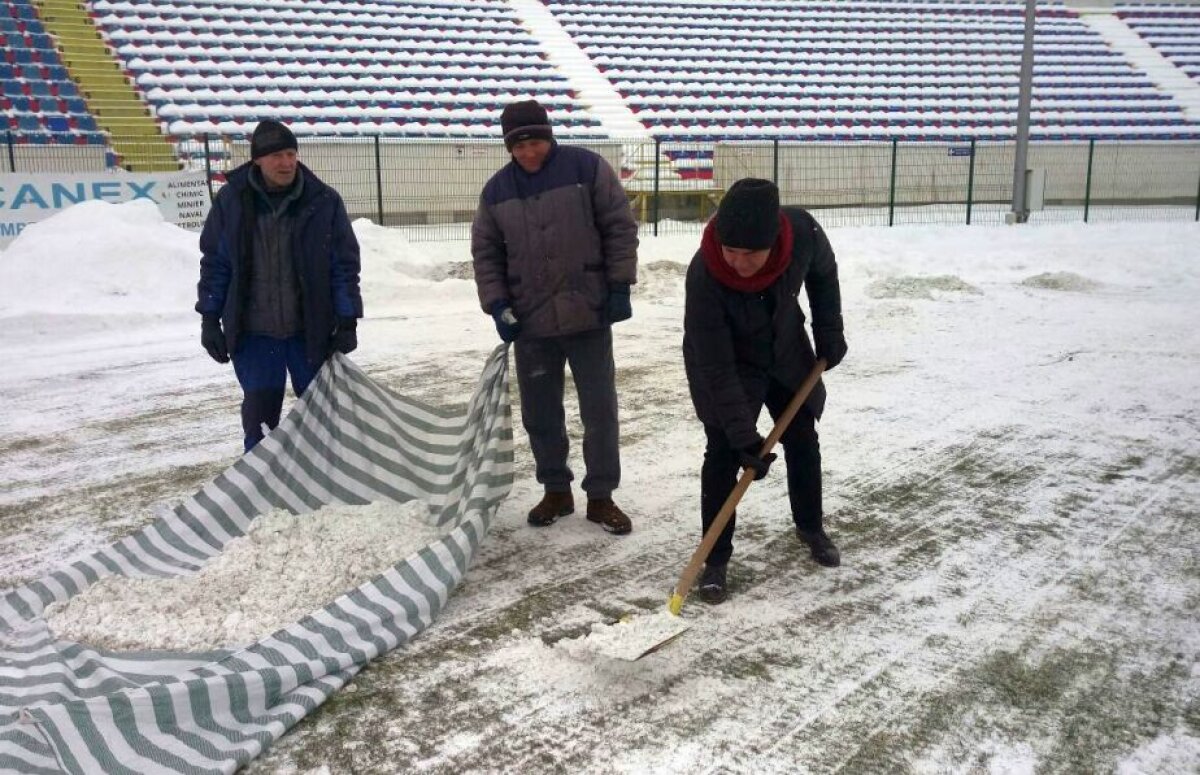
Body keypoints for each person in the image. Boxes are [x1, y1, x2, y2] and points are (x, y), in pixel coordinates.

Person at [472, 99, 639, 534]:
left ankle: (601, 495)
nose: (529, 151)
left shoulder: (587, 169)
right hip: (533, 323)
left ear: (549, 135)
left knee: (599, 410)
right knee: (541, 413)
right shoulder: (496, 192)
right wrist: (498, 303)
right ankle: (556, 490)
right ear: (509, 147)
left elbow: (619, 225)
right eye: (519, 144)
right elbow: (486, 253)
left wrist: (618, 285)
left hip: (589, 311)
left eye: (536, 141)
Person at [682, 178, 848, 604]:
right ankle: (715, 558)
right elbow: (715, 365)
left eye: (749, 253)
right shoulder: (705, 273)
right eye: (729, 250)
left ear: (773, 242)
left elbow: (824, 276)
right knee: (722, 453)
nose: (737, 262)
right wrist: (743, 435)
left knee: (802, 438)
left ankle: (811, 526)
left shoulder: (802, 233)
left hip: (785, 349)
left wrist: (829, 331)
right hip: (725, 362)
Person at [196, 119, 362, 452]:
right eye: (276, 156)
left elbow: (343, 265)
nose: (286, 162)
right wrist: (210, 318)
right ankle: (260, 490)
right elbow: (216, 262)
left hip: (310, 331)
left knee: (321, 416)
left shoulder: (323, 201)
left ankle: (325, 483)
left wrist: (347, 319)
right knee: (260, 418)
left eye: (291, 153)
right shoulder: (232, 201)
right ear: (257, 159)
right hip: (254, 333)